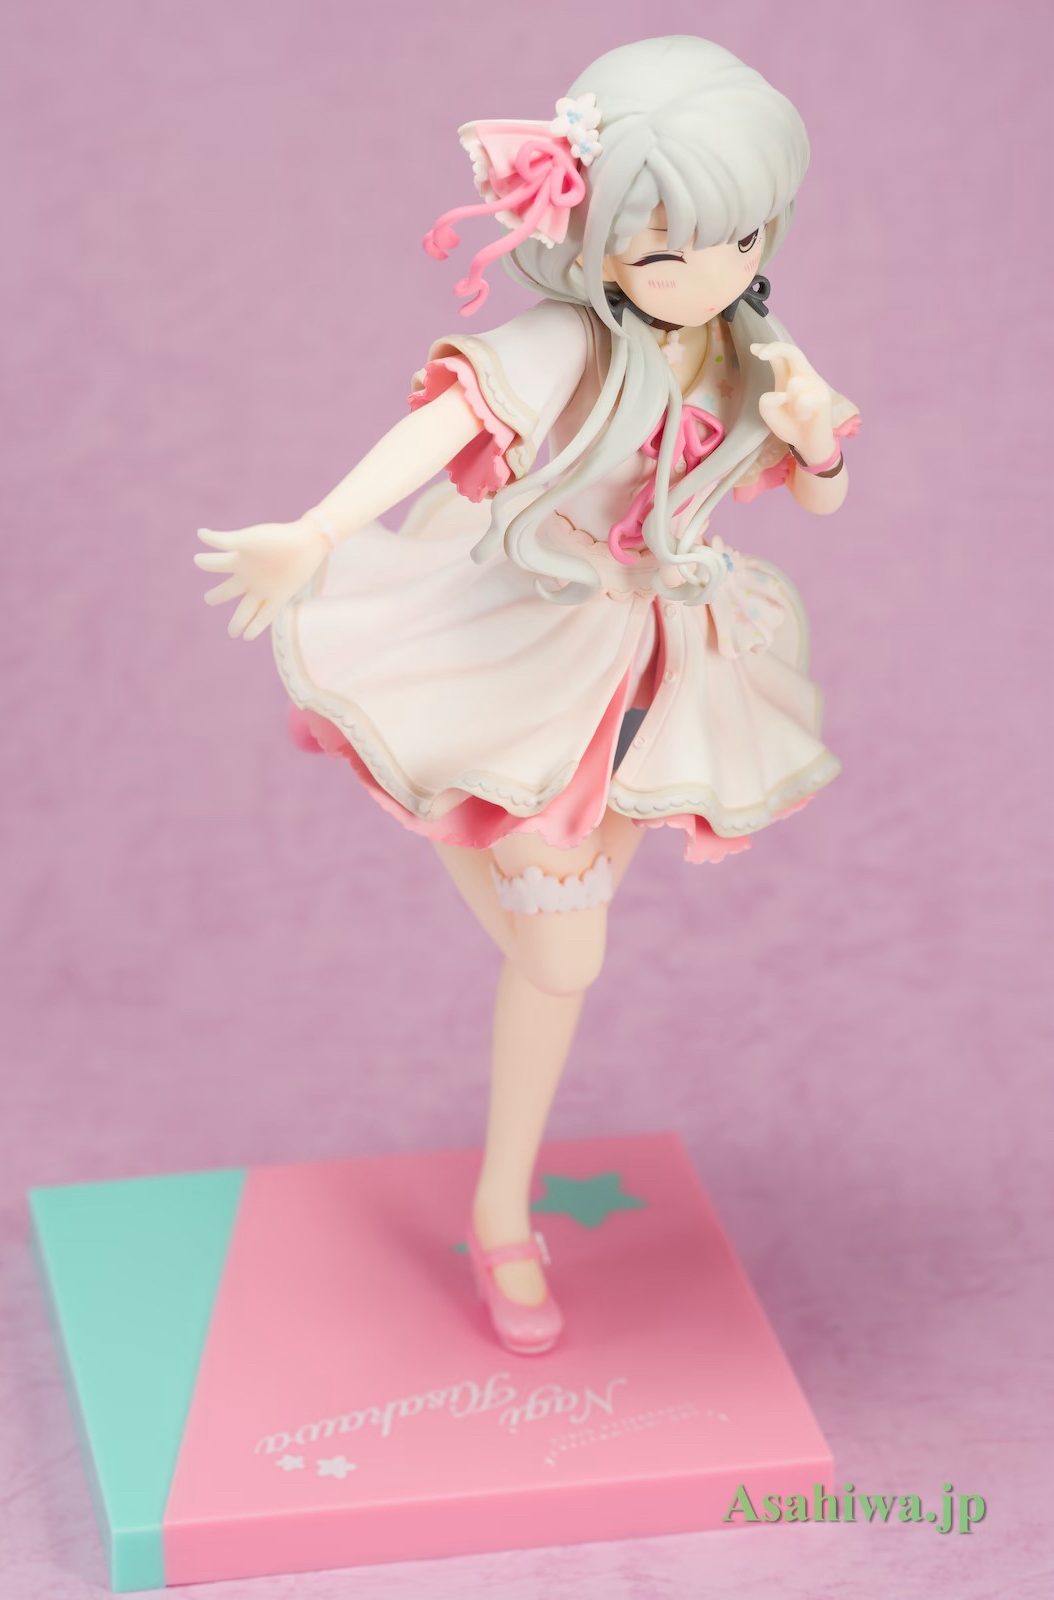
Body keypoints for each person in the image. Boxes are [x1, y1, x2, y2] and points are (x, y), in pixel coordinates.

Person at [195, 36, 860, 1357]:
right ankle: (502, 1198)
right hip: (538, 635)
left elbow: (819, 496)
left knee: (558, 954)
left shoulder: (750, 340)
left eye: (738, 238)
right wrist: (318, 532)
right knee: (563, 956)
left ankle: (502, 1180)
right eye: (670, 250)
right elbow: (444, 427)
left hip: (664, 656)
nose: (711, 271)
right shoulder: (573, 340)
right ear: (602, 241)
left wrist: (814, 443)